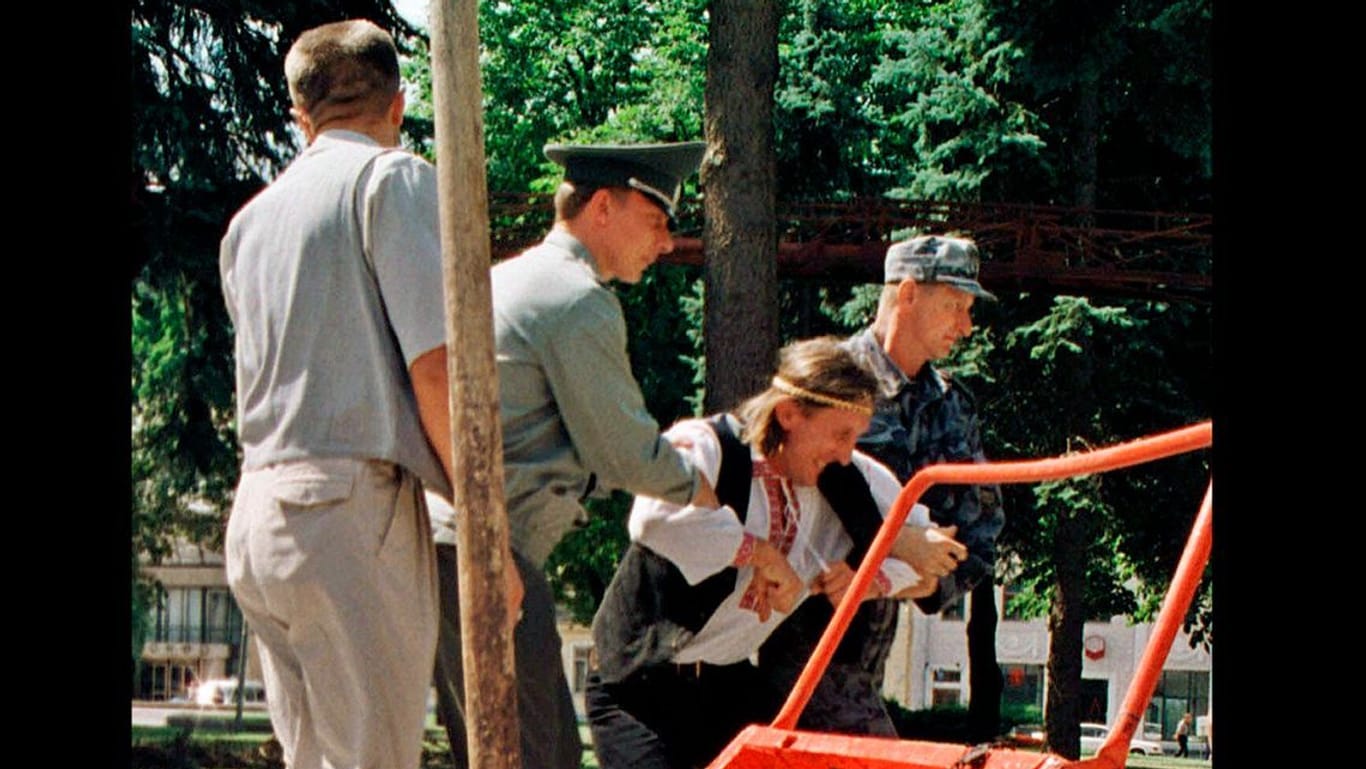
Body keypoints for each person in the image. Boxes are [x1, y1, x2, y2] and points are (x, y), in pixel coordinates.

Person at [429, 141, 719, 769]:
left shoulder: (507, 278)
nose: (667, 243)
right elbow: (626, 455)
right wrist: (710, 489)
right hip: (487, 556)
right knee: (540, 758)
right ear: (604, 208)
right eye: (657, 221)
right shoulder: (577, 299)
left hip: (451, 548)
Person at [218, 19, 457, 769]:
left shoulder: (249, 224)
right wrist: (487, 527)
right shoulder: (393, 178)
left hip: (258, 515)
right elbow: (435, 371)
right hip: (348, 514)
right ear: (399, 103)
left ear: (301, 117)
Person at [586, 337, 967, 769]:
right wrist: (761, 554)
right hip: (637, 686)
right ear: (788, 414)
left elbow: (927, 570)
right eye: (840, 434)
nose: (846, 453)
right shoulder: (710, 446)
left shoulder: (851, 477)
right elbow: (651, 519)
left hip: (724, 684)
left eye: (855, 438)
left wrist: (868, 581)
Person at [757, 234, 1007, 737]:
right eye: (954, 306)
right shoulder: (828, 383)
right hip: (791, 624)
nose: (966, 325)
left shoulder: (954, 408)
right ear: (908, 294)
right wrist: (900, 545)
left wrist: (899, 579)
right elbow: (800, 476)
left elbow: (978, 537)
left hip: (866, 647)